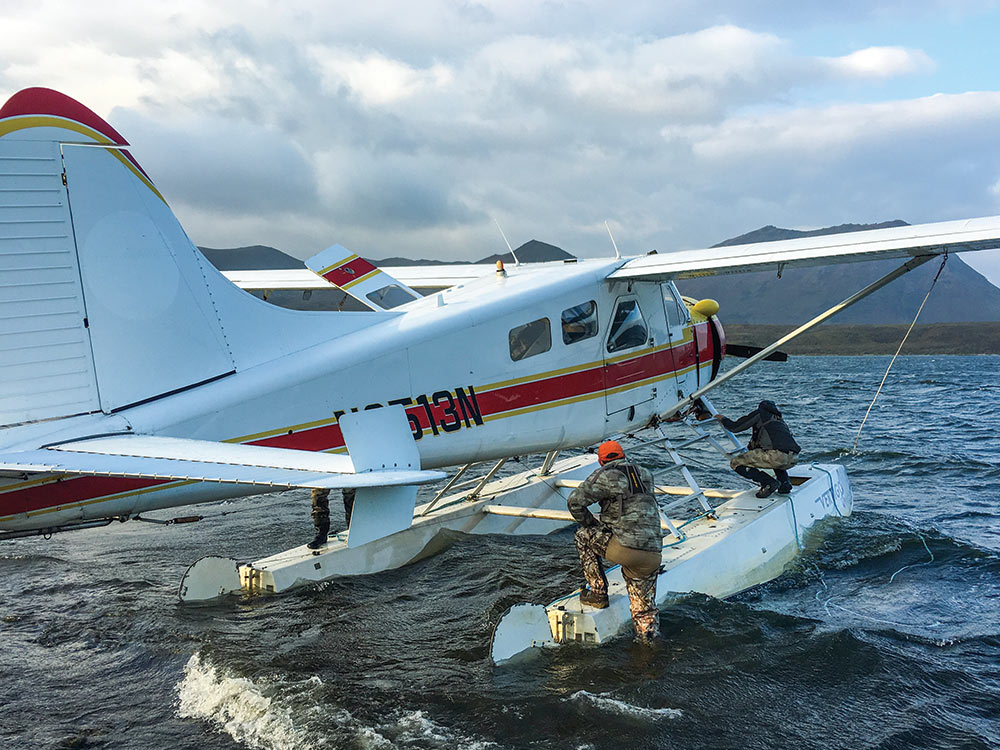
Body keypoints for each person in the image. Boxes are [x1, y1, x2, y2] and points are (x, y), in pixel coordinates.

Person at [567, 440, 663, 641]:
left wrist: (591, 524)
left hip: (623, 548)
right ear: (623, 455)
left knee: (582, 536)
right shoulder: (645, 473)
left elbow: (575, 502)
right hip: (653, 553)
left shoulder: (605, 475)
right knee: (644, 613)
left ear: (601, 461)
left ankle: (598, 593)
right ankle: (649, 652)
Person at [715, 400, 801, 498]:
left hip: (777, 456)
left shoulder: (761, 414)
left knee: (735, 462)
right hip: (794, 458)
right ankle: (785, 484)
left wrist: (723, 419)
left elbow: (736, 427)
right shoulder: (779, 421)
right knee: (776, 458)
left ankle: (768, 483)